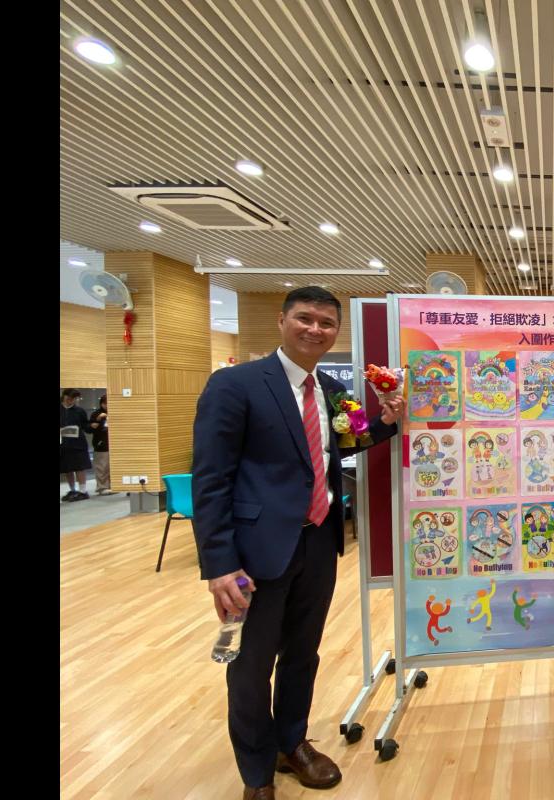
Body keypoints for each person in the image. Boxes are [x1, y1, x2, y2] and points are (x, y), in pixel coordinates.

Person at [192, 287, 403, 800]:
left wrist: (386, 421)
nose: (315, 329)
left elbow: (348, 439)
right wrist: (219, 564)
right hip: (255, 553)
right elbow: (211, 479)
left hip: (318, 543)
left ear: (336, 332)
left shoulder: (331, 389)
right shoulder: (235, 384)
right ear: (282, 321)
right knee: (250, 665)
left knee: (303, 654)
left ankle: (292, 743)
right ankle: (256, 773)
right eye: (305, 318)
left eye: (326, 323)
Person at [60, 388, 92, 502]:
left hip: (78, 443)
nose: (71, 401)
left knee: (80, 467)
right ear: (64, 396)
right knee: (67, 468)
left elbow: (85, 426)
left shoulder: (79, 411)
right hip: (63, 444)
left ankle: (83, 491)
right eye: (69, 398)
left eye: (74, 399)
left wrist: (91, 426)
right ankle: (72, 490)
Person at [88, 395, 115, 496]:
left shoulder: (114, 412)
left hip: (113, 443)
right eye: (106, 403)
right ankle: (102, 487)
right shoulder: (96, 414)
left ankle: (112, 485)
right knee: (102, 467)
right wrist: (98, 419)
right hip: (101, 444)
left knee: (111, 467)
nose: (108, 405)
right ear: (102, 404)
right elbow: (90, 428)